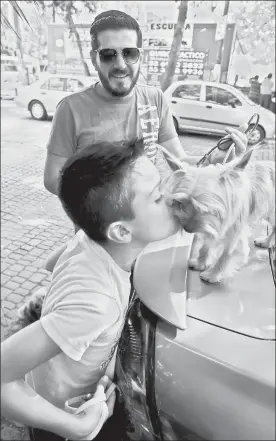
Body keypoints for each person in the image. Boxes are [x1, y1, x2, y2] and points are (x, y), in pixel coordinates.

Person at [1, 139, 180, 441]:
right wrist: (76, 428)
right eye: (158, 197)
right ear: (121, 232)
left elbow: (50, 263)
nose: (174, 199)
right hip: (60, 419)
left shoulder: (89, 240)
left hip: (83, 395)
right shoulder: (96, 303)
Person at [43, 9, 248, 271]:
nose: (120, 64)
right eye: (108, 54)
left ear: (140, 55)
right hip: (104, 245)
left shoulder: (156, 98)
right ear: (94, 59)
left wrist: (215, 162)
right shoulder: (70, 109)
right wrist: (114, 204)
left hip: (150, 238)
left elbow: (179, 158)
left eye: (129, 53)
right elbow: (53, 178)